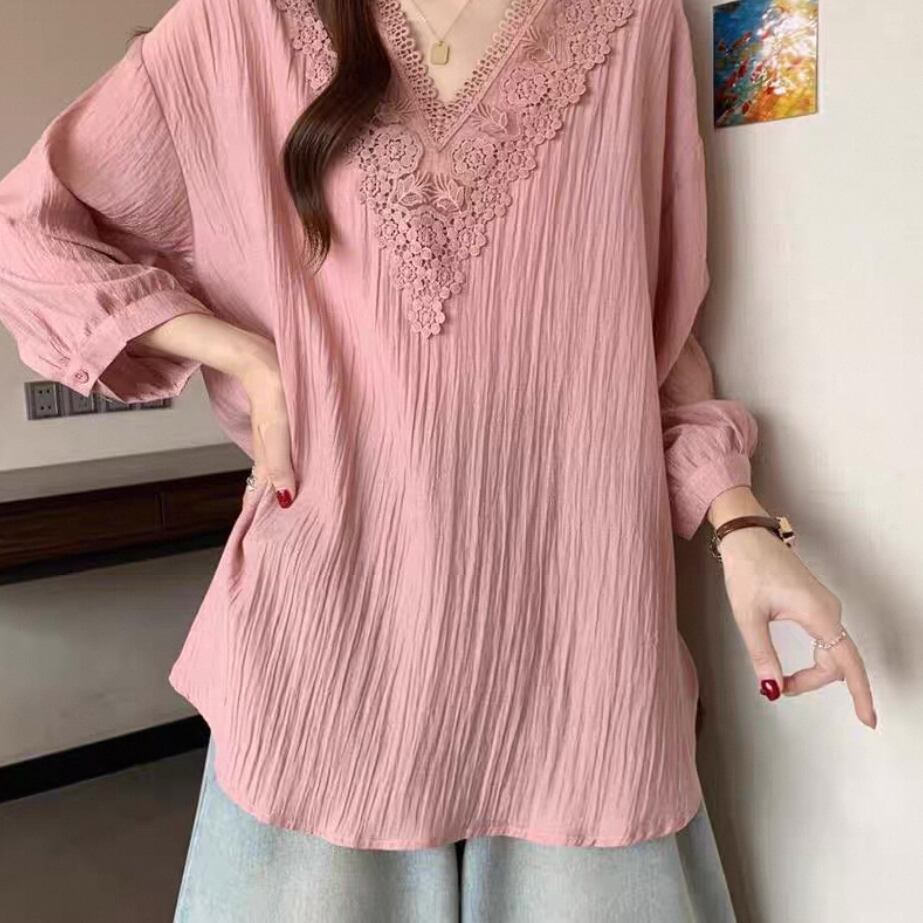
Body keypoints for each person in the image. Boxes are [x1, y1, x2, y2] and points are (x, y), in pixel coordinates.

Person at [0, 0, 876, 920]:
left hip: (578, 658)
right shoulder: (240, 23)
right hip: (330, 661)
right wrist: (243, 355)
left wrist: (739, 523)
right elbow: (29, 231)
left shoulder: (633, 23)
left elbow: (644, 339)